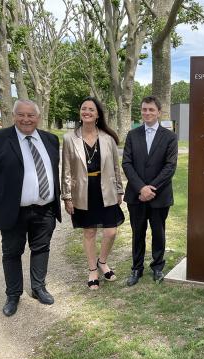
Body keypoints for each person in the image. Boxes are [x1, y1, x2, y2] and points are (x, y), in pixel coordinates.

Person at [0, 99, 61, 316]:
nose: (26, 119)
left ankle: (38, 287)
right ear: (13, 116)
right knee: (12, 252)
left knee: (41, 248)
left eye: (31, 115)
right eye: (21, 115)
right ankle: (13, 295)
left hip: (45, 209)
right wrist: (1, 197)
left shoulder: (50, 140)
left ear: (38, 117)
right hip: (14, 210)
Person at [61, 97, 125, 290]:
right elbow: (66, 170)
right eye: (83, 109)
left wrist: (120, 189)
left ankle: (102, 261)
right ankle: (92, 270)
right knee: (89, 231)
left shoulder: (108, 138)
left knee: (111, 231)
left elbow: (115, 166)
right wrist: (67, 197)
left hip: (106, 189)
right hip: (82, 191)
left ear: (98, 115)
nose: (86, 112)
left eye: (91, 109)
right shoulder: (69, 138)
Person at [122, 95, 178, 286]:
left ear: (158, 112)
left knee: (158, 232)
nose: (147, 113)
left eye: (151, 110)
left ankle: (157, 267)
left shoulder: (170, 137)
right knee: (138, 232)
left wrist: (151, 188)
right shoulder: (132, 135)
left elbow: (170, 166)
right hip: (136, 195)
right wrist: (141, 188)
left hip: (159, 195)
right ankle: (136, 268)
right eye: (144, 109)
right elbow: (127, 163)